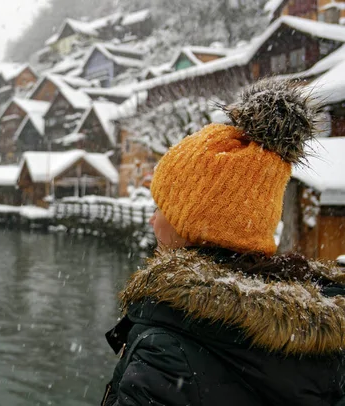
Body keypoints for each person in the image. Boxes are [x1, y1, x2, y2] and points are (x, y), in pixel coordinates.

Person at [101, 79, 345, 406]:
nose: (151, 219)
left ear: (193, 225)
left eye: (159, 207)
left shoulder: (167, 352)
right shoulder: (318, 332)